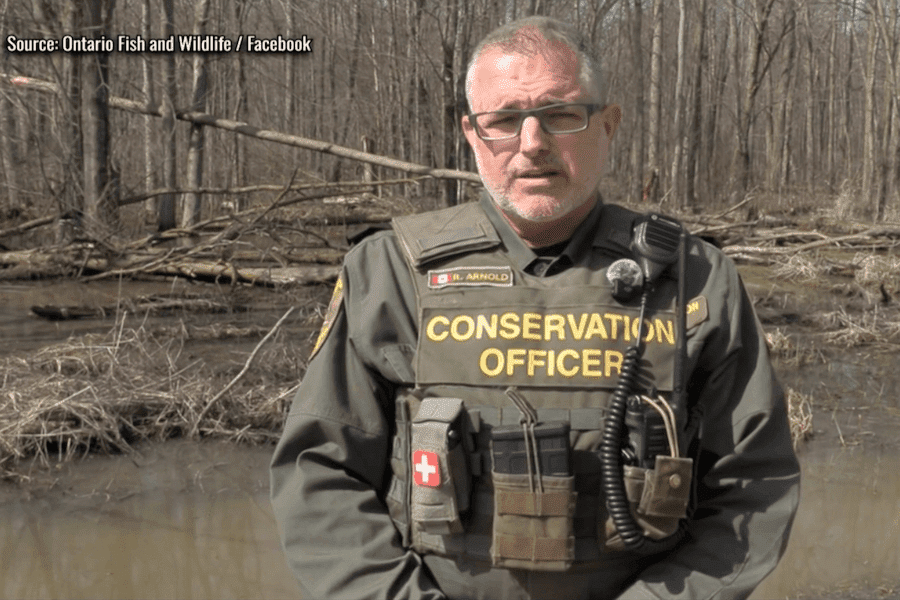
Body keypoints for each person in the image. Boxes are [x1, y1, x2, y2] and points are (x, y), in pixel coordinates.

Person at [271, 16, 800, 600]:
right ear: (472, 135)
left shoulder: (695, 280)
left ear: (608, 124)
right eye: (503, 121)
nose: (532, 143)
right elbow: (319, 473)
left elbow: (754, 484)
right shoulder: (390, 271)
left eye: (560, 114)